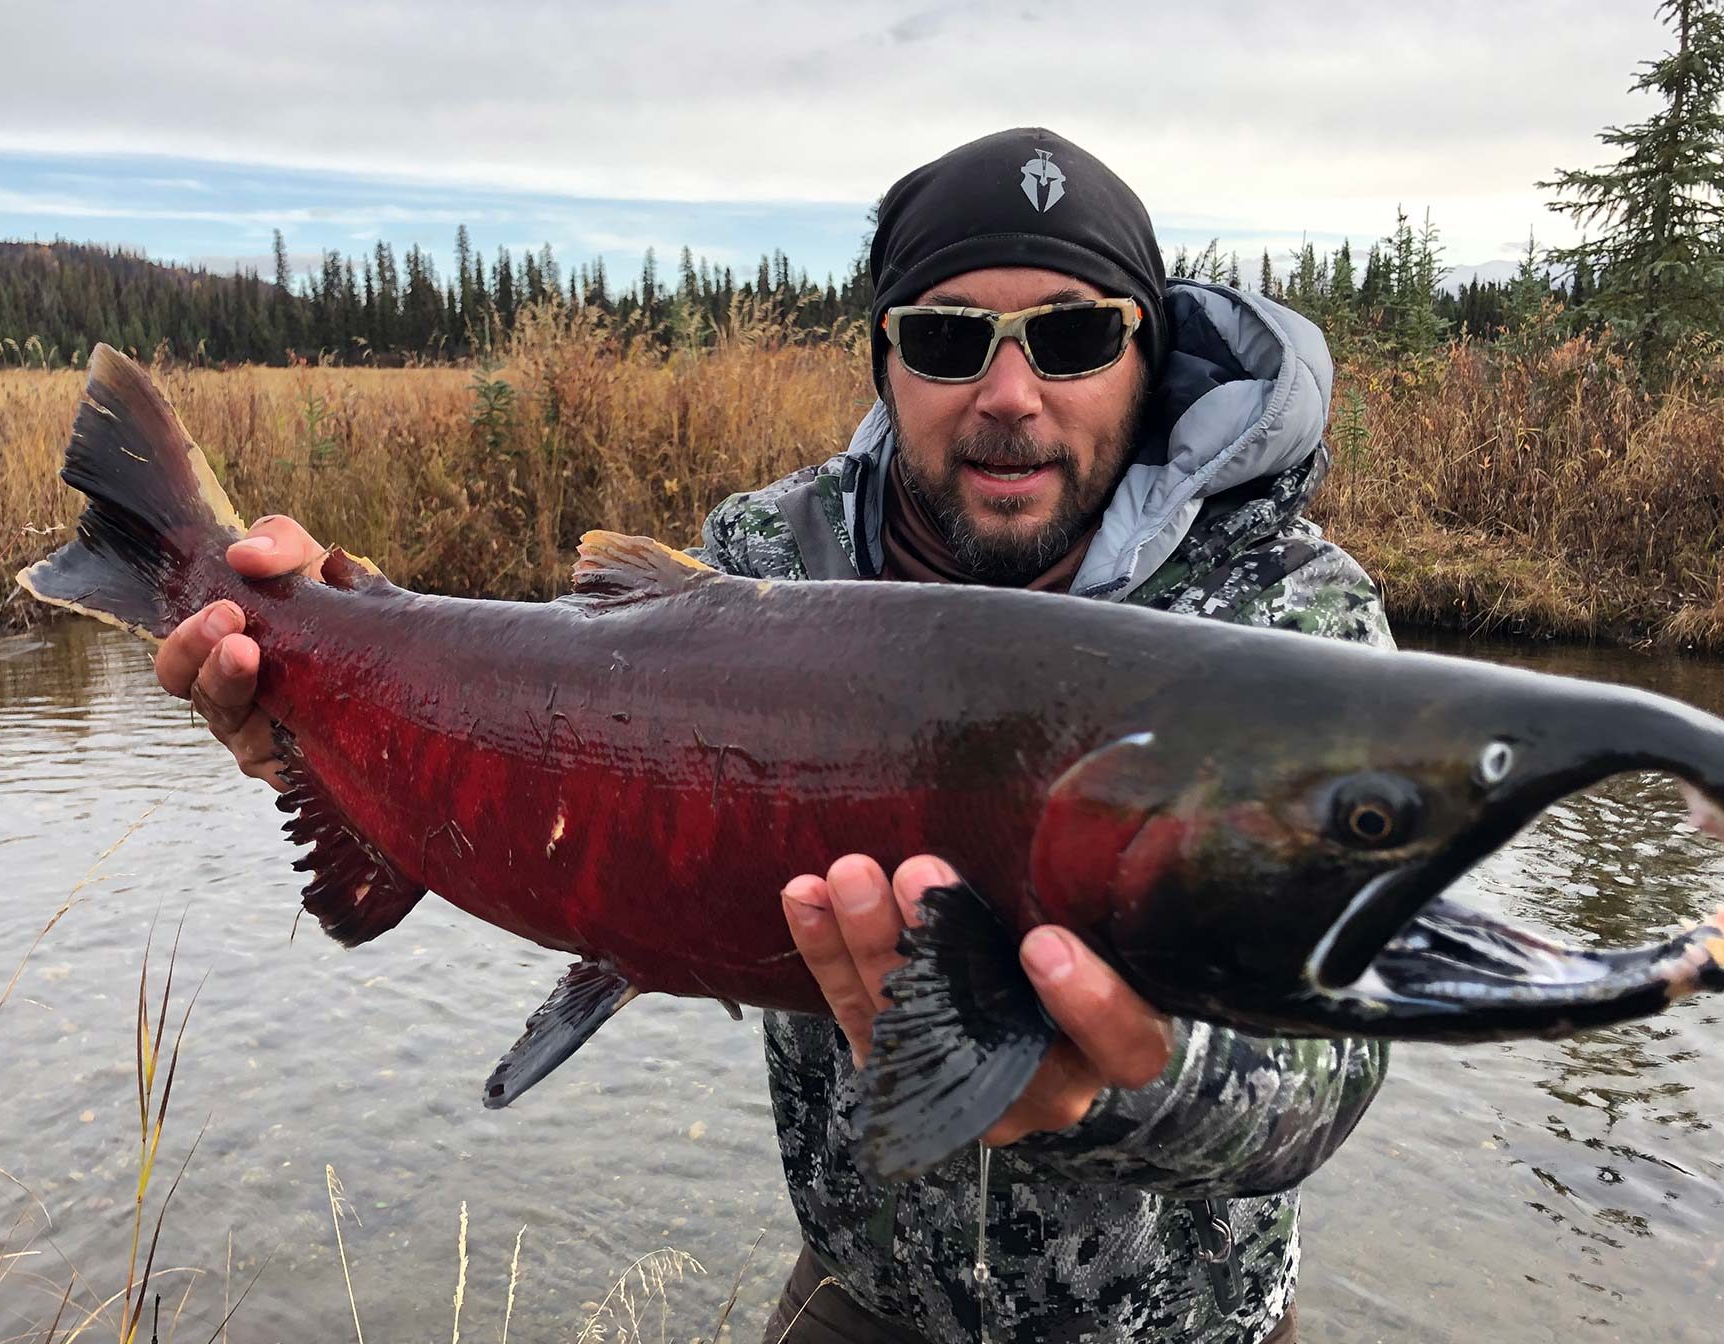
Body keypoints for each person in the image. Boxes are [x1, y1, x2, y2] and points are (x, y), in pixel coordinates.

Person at [156, 129, 1393, 1343]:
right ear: (885, 360)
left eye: (1074, 338)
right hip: (861, 1297)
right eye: (949, 339)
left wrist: (1116, 1081)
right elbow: (555, 756)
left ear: (1147, 353)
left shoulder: (1289, 622)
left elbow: (1335, 1059)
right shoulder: (760, 565)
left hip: (1185, 1328)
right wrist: (312, 701)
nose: (1010, 396)